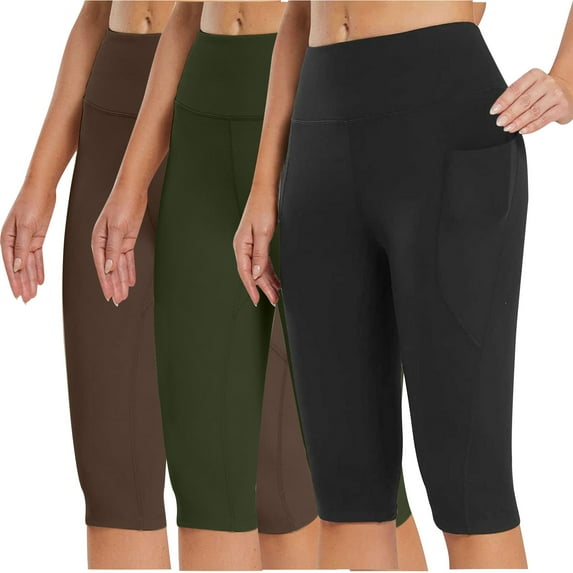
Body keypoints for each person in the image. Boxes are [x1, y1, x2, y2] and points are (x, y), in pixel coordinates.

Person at [233, 0, 573, 570]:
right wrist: (264, 185)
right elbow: (298, 14)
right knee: (345, 491)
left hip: (441, 124)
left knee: (469, 485)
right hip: (319, 137)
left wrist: (566, 80)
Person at [91, 1, 424, 570]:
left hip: (320, 105)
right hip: (203, 122)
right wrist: (131, 180)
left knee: (363, 473)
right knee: (206, 474)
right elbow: (186, 15)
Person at [2, 1, 315, 570]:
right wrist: (41, 179)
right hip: (117, 110)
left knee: (275, 478)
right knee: (114, 470)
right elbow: (96, 13)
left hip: (242, 92)